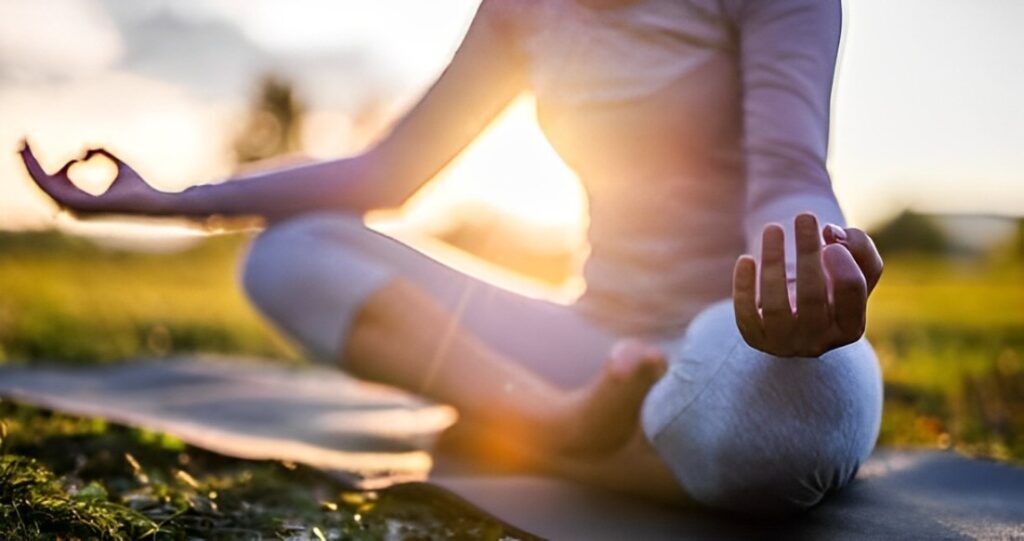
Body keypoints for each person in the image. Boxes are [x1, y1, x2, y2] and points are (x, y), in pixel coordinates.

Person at [20, 0, 884, 517]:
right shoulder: (523, 7)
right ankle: (553, 422)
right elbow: (387, 172)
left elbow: (789, 176)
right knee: (287, 255)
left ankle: (538, 433)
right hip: (588, 345)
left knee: (789, 422)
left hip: (734, 339)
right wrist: (170, 200)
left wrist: (813, 263)